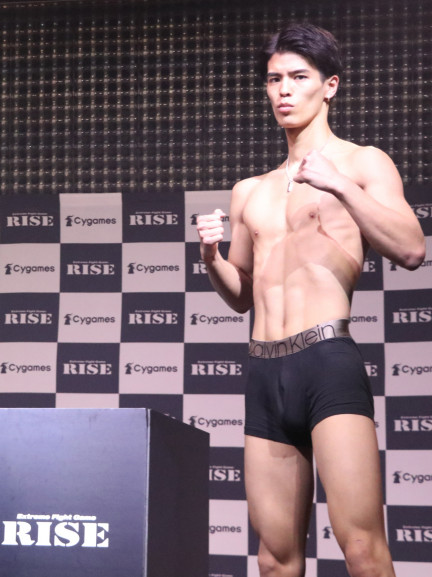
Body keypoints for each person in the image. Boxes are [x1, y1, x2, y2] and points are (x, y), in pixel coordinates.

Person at [196, 24, 425, 577]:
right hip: (264, 370)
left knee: (363, 548)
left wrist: (340, 185)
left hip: (326, 362)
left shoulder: (363, 163)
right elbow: (241, 295)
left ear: (330, 86)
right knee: (275, 559)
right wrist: (211, 258)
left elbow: (412, 249)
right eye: (274, 79)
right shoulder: (250, 190)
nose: (284, 90)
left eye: (299, 77)